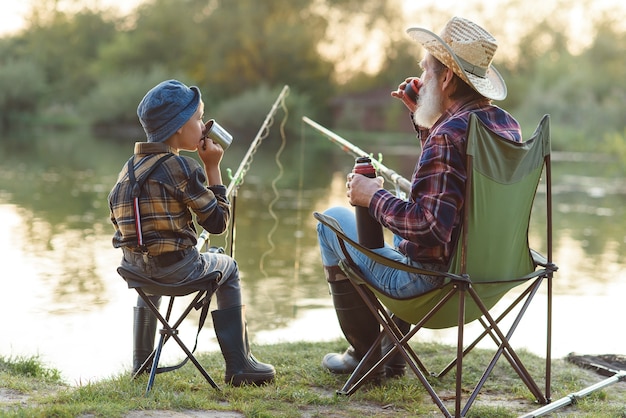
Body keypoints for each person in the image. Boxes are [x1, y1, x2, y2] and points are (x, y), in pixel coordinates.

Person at [316, 17, 522, 378]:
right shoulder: (505, 127)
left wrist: (372, 196)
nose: (422, 79)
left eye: (427, 71)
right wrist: (424, 120)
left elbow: (429, 227)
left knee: (331, 223)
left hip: (430, 287)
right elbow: (453, 195)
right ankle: (390, 354)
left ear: (446, 79)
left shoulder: (449, 135)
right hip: (489, 281)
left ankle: (367, 355)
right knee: (397, 223)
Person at [108, 79, 275, 386]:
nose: (203, 126)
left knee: (152, 267)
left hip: (136, 274)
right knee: (229, 267)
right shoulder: (181, 168)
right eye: (198, 119)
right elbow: (217, 224)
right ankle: (239, 366)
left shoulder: (127, 170)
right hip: (179, 272)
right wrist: (212, 167)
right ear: (178, 129)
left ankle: (141, 363)